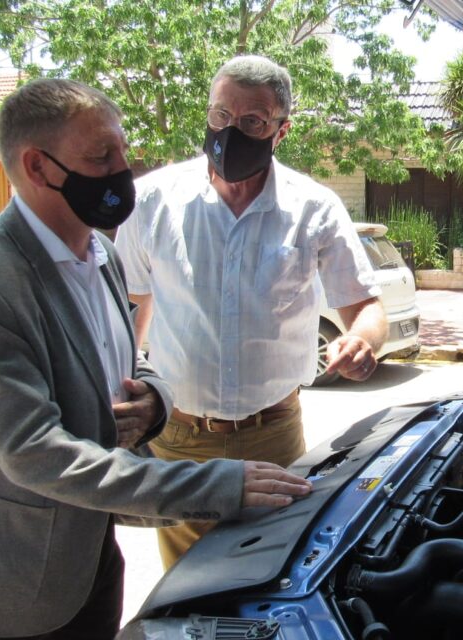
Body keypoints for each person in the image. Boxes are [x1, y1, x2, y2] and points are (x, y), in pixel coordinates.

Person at [0, 78, 311, 640]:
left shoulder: (101, 255)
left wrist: (155, 400)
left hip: (87, 571)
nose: (123, 168)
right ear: (38, 168)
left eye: (121, 149)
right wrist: (219, 488)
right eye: (101, 157)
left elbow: (129, 363)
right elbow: (36, 453)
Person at [115, 55, 388, 569]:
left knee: (266, 576)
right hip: (177, 435)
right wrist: (121, 385)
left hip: (273, 435)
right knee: (186, 586)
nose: (230, 131)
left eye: (252, 122)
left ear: (281, 131)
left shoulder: (314, 208)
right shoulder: (153, 200)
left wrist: (363, 341)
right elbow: (134, 305)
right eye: (221, 115)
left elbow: (365, 306)